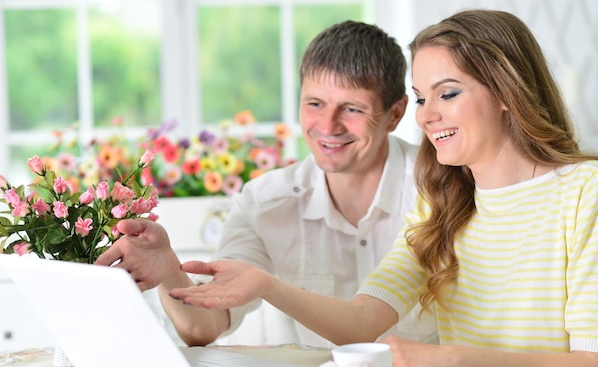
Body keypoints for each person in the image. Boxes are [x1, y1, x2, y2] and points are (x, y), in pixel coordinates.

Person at [169, 9, 598, 367]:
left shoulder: (584, 194)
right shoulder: (442, 203)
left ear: (508, 90)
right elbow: (360, 322)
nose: (428, 115)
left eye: (447, 93)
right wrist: (266, 285)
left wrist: (443, 359)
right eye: (420, 98)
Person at [95, 20, 438, 348]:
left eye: (351, 108)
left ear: (395, 114)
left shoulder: (440, 187)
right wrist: (169, 270)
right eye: (315, 104)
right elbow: (202, 328)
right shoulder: (265, 202)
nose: (328, 125)